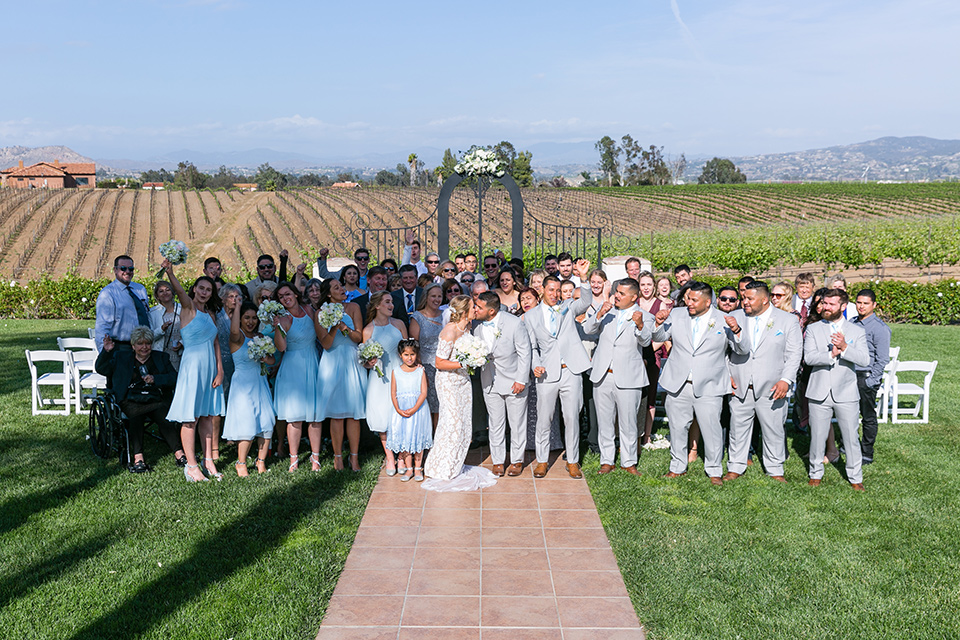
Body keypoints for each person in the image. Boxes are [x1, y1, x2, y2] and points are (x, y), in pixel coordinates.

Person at [652, 281, 731, 485]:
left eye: (694, 300)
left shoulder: (725, 320)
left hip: (709, 384)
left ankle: (714, 470)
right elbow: (659, 337)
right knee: (677, 427)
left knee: (711, 428)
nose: (689, 303)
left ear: (707, 302)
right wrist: (658, 324)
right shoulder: (677, 314)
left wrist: (738, 332)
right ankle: (677, 466)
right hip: (678, 382)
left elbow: (740, 349)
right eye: (688, 298)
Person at [724, 281, 803, 482]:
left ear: (765, 299)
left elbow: (794, 354)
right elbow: (722, 350)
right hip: (740, 384)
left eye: (750, 299)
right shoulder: (736, 317)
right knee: (737, 428)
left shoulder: (787, 321)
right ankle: (735, 466)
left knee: (774, 429)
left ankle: (775, 469)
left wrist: (786, 380)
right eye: (744, 298)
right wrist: (727, 375)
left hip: (773, 386)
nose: (745, 302)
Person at [524, 260, 594, 479]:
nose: (554, 294)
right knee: (544, 419)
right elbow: (531, 346)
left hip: (571, 370)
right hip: (546, 373)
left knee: (572, 417)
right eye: (551, 290)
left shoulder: (568, 307)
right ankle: (542, 460)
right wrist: (535, 364)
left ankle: (573, 461)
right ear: (542, 290)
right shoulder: (531, 316)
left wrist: (583, 278)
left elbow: (585, 300)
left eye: (557, 290)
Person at [422, 296, 496, 490]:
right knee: (452, 423)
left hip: (463, 380)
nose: (476, 310)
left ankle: (454, 464)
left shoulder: (468, 328)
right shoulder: (449, 331)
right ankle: (441, 467)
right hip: (448, 382)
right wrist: (464, 363)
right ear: (464, 311)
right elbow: (439, 363)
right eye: (473, 307)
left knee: (463, 424)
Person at [161, 262, 225, 482]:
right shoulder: (188, 308)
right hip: (192, 367)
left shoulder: (211, 314)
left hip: (210, 368)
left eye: (209, 290)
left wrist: (220, 369)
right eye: (202, 288)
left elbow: (216, 342)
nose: (205, 293)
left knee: (207, 415)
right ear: (195, 290)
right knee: (191, 418)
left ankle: (209, 460)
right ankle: (191, 466)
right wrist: (170, 273)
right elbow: (178, 290)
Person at [581, 278, 652, 475]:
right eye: (616, 292)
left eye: (621, 293)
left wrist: (639, 325)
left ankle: (629, 461)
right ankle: (607, 460)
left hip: (629, 377)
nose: (617, 296)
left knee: (628, 422)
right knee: (604, 420)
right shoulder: (607, 312)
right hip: (603, 374)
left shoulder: (644, 315)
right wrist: (599, 314)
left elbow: (646, 342)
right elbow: (588, 330)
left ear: (634, 297)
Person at [803, 288, 869, 491]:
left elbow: (865, 360)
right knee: (817, 437)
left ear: (842, 306)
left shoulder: (857, 331)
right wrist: (831, 355)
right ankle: (815, 473)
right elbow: (809, 358)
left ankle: (855, 476)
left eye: (831, 304)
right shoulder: (814, 329)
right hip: (818, 391)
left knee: (850, 437)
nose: (825, 307)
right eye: (824, 303)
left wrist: (845, 347)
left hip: (846, 392)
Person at [95, 327, 185, 473]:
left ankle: (179, 454)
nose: (144, 347)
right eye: (140, 344)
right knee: (135, 416)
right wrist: (106, 352)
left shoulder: (161, 358)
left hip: (154, 399)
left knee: (164, 416)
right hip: (130, 400)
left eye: (147, 343)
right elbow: (101, 369)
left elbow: (174, 378)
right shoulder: (121, 357)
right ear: (133, 346)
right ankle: (139, 458)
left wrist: (156, 379)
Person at [474, 291, 531, 477]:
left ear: (491, 311)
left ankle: (516, 460)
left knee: (516, 424)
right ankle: (498, 460)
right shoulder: (477, 328)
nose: (475, 309)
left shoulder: (514, 323)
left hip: (515, 381)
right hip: (489, 381)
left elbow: (525, 352)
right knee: (495, 423)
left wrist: (521, 379)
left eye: (479, 307)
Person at [315, 278, 366, 472]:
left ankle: (354, 458)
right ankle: (338, 458)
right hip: (332, 362)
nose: (342, 289)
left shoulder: (352, 307)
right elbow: (326, 344)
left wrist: (346, 328)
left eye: (341, 286)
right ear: (328, 294)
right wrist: (335, 327)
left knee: (353, 414)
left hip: (351, 360)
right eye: (337, 288)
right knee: (336, 415)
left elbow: (358, 337)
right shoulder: (320, 313)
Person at [222, 301, 276, 476]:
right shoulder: (237, 338)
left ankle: (261, 461)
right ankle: (241, 463)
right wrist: (237, 306)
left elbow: (272, 360)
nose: (251, 321)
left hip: (260, 382)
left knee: (267, 422)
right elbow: (234, 330)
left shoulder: (260, 337)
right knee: (247, 422)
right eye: (247, 318)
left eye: (254, 318)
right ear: (240, 319)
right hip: (243, 385)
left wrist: (264, 358)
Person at [271, 281, 320, 472]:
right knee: (294, 417)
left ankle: (315, 458)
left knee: (314, 415)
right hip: (292, 367)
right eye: (281, 296)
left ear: (296, 294)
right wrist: (277, 327)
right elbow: (281, 347)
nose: (285, 298)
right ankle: (294, 459)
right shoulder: (282, 319)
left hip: (312, 363)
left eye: (287, 294)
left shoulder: (310, 310)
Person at [362, 291, 408, 475]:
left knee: (402, 416)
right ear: (377, 306)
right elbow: (364, 361)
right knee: (383, 417)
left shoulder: (399, 325)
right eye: (387, 302)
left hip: (400, 375)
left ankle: (402, 457)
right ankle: (389, 457)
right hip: (379, 379)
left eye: (392, 302)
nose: (391, 305)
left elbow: (409, 350)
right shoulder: (368, 330)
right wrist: (369, 362)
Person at [853, 288, 891, 465]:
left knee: (867, 416)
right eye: (859, 302)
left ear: (874, 305)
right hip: (849, 376)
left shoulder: (880, 329)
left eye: (865, 303)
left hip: (866, 377)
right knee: (850, 414)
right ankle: (851, 445)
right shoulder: (852, 323)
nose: (861, 306)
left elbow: (882, 359)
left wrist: (871, 381)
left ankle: (867, 451)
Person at [387, 339, 433, 482]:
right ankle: (409, 469)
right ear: (400, 355)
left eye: (412, 354)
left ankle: (418, 468)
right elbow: (393, 393)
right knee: (405, 438)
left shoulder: (420, 370)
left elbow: (424, 392)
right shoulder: (396, 371)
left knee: (417, 437)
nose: (409, 358)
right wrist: (398, 409)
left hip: (418, 410)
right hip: (402, 411)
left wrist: (414, 408)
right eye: (406, 355)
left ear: (416, 354)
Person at [95, 255, 151, 352]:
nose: (127, 271)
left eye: (131, 268)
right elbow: (102, 326)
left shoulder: (140, 289)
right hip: (121, 348)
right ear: (115, 270)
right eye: (123, 268)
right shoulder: (108, 294)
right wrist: (103, 353)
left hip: (144, 348)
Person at [410, 284, 444, 431]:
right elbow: (413, 345)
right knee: (429, 407)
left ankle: (438, 442)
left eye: (439, 296)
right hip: (425, 367)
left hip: (444, 367)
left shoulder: (446, 315)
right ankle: (427, 442)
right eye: (433, 296)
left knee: (441, 407)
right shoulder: (417, 317)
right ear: (426, 297)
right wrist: (421, 370)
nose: (436, 299)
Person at [149, 280, 182, 370]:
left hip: (180, 355)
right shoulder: (153, 313)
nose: (165, 293)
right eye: (161, 291)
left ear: (172, 292)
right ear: (157, 296)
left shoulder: (182, 309)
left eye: (167, 290)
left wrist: (182, 342)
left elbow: (191, 330)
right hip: (161, 354)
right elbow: (149, 336)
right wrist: (161, 329)